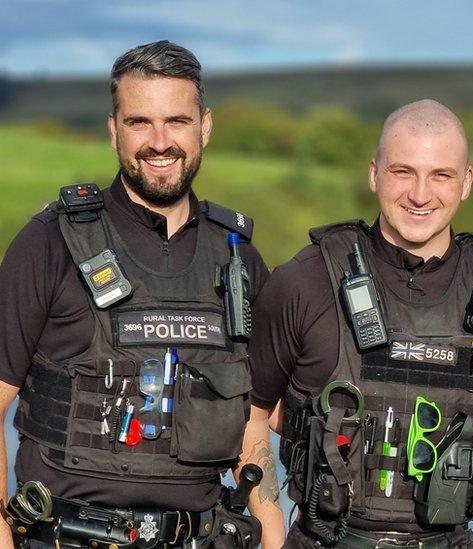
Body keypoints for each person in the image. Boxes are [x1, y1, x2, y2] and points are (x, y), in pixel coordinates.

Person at [0, 40, 270, 548]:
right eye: (139, 122)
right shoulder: (48, 243)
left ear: (205, 126)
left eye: (178, 121)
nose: (160, 141)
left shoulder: (239, 257)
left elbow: (256, 426)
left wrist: (272, 534)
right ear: (113, 130)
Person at [243, 99, 473, 548]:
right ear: (374, 173)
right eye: (403, 172)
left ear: (466, 183)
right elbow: (250, 413)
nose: (420, 195)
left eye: (441, 175)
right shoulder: (304, 282)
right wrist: (271, 534)